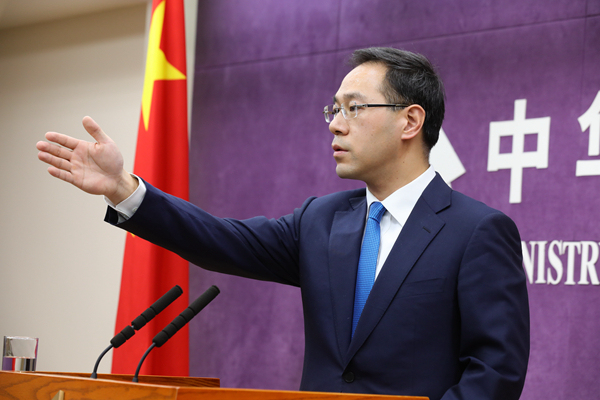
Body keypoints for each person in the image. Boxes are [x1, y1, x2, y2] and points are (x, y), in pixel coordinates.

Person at [36, 47, 529, 400]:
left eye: (354, 109)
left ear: (410, 121)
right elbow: (218, 241)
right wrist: (124, 187)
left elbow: (495, 373)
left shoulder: (477, 231)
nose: (335, 124)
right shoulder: (322, 220)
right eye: (333, 110)